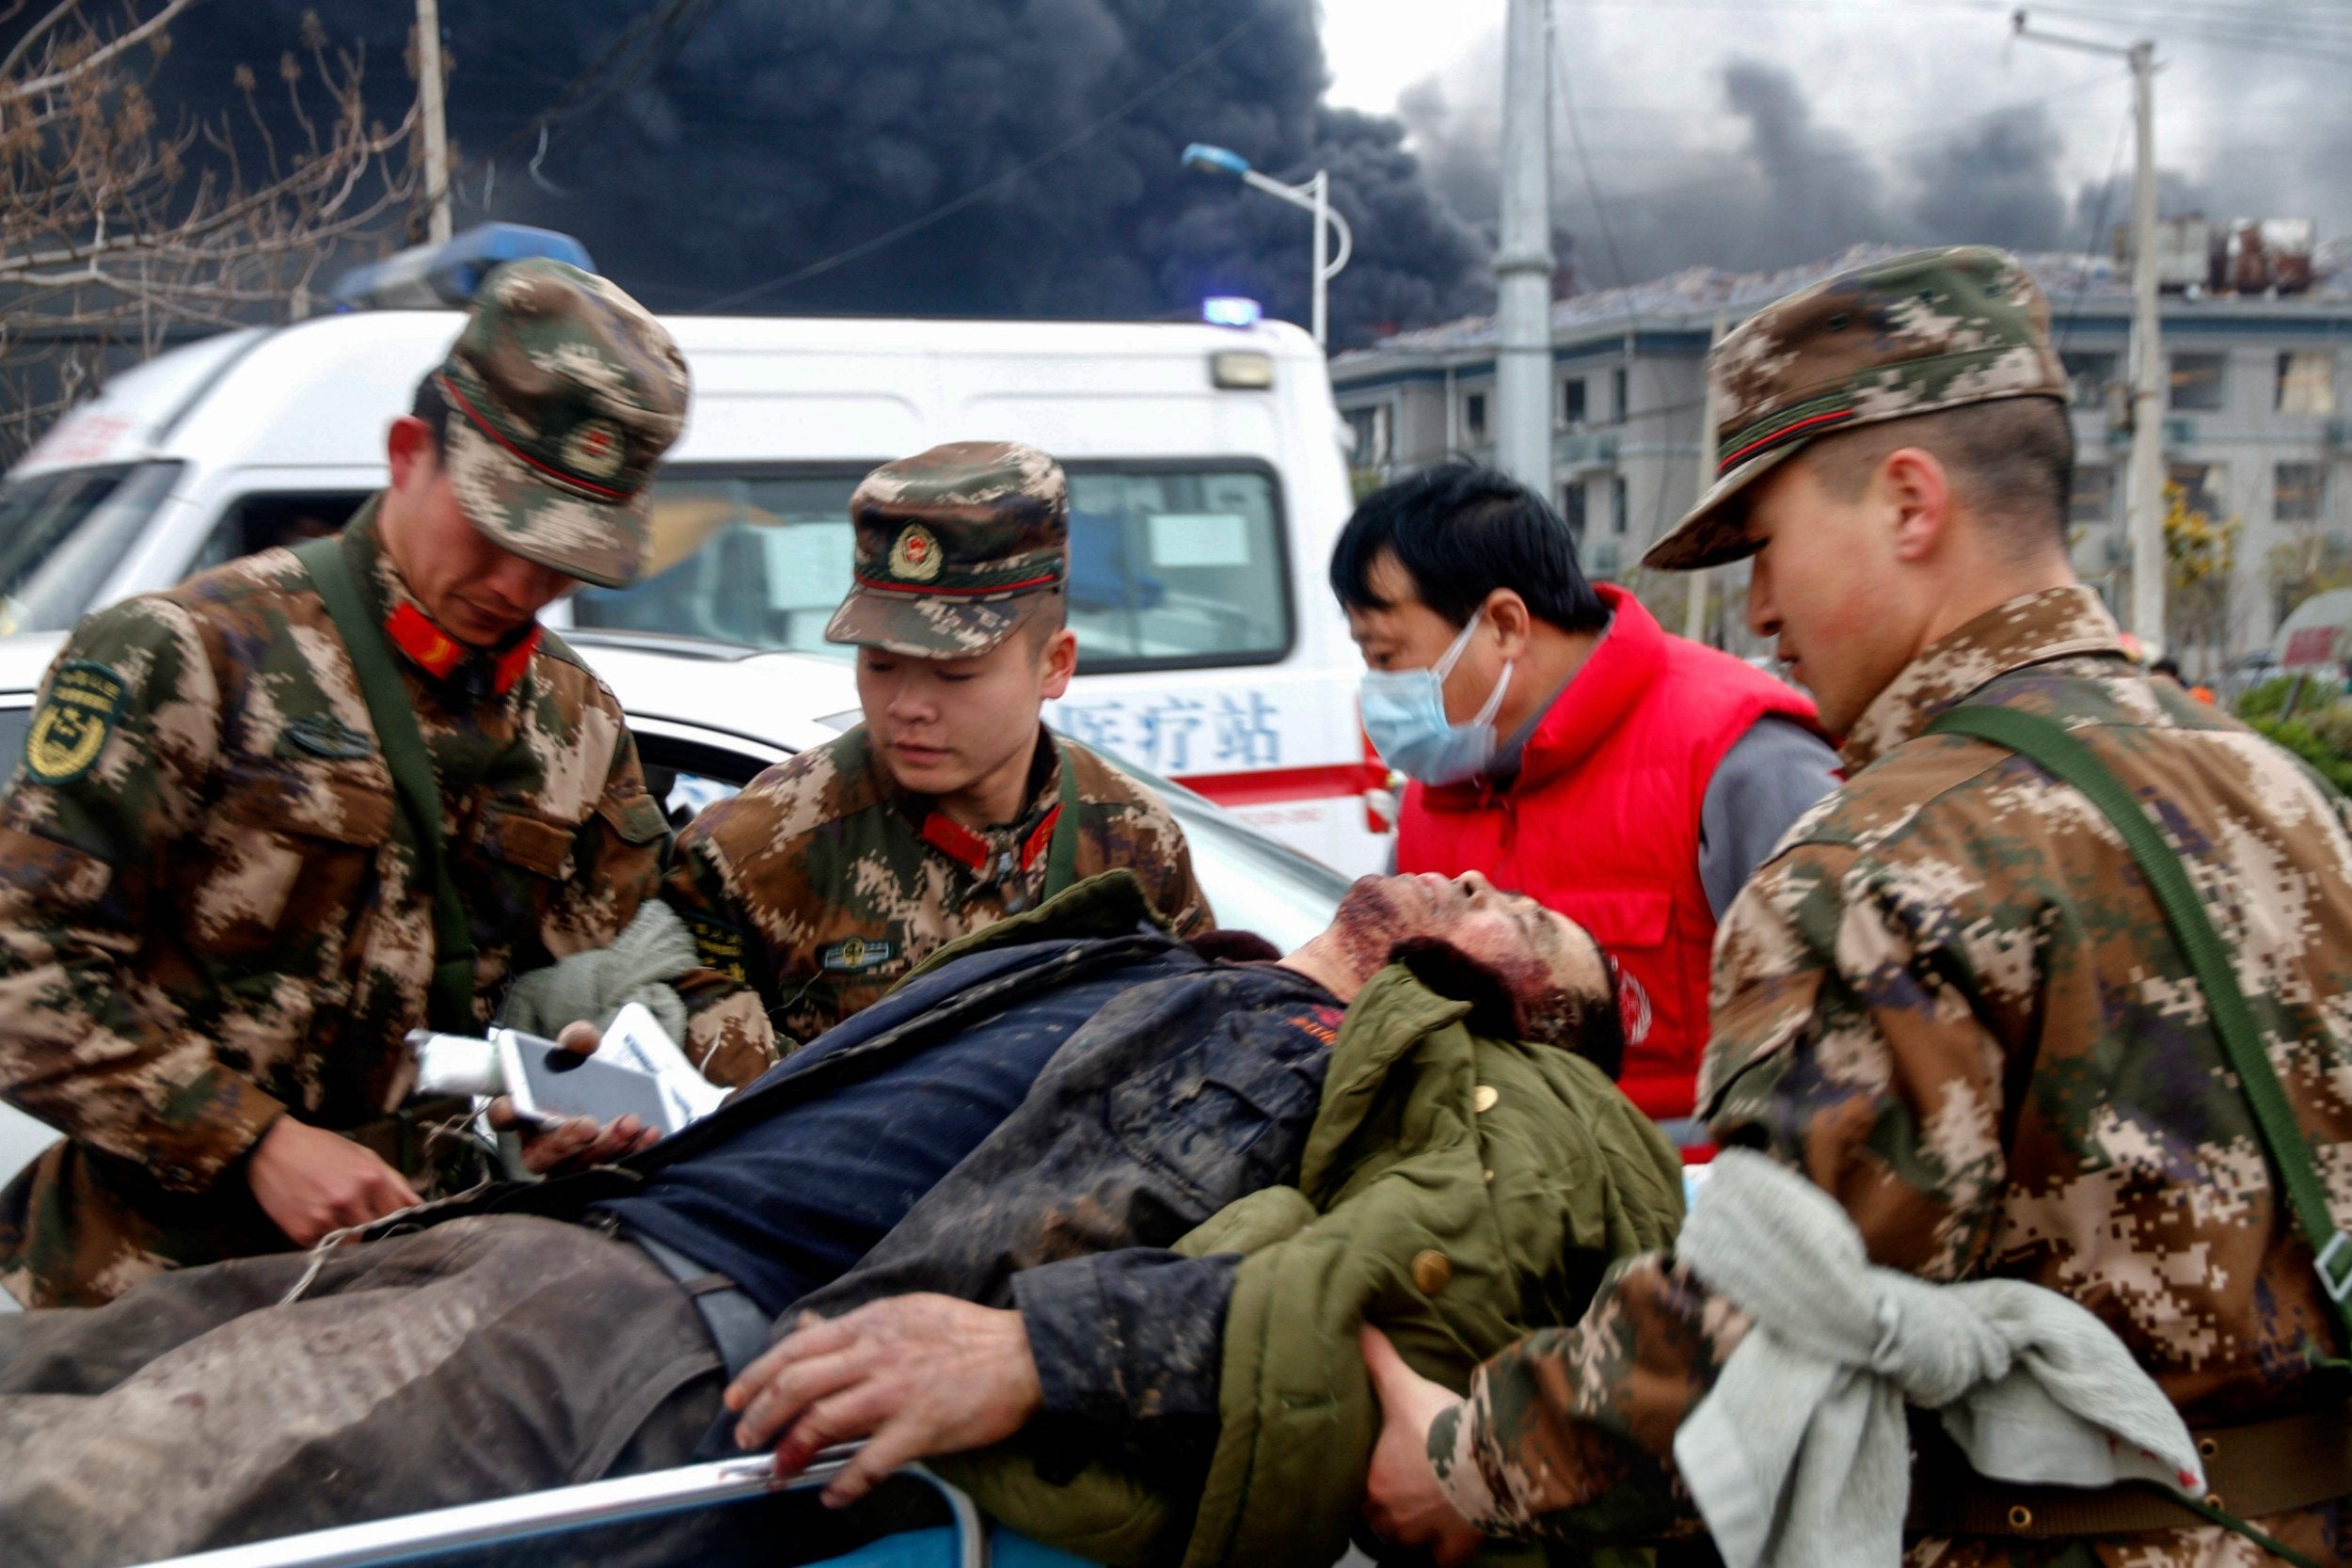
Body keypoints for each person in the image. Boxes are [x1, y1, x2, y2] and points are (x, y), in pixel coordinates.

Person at [1355, 247, 2352, 1564]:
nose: (1759, 609)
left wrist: (1466, 1462)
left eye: (1766, 544)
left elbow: (1765, 1317)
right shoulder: (2268, 783)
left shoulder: (1878, 857)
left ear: (1908, 500)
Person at [0, 870, 1680, 1568]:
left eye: (1525, 925)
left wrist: (1037, 1350)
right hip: (552, 1228)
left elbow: (1355, 1303)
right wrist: (667, 1140)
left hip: (645, 1343)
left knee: (75, 1514)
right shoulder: (1168, 951)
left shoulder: (1453, 1096)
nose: (1476, 890)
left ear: (1524, 1027)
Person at [0, 259, 691, 1308]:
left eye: (563, 556)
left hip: (430, 1291)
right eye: (496, 529)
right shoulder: (189, 655)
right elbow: (20, 971)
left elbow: (568, 999)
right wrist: (252, 1138)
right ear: (409, 454)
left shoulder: (578, 721)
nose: (519, 583)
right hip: (158, 1298)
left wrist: (571, 1106)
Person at [658, 440, 1213, 1066]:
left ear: (1054, 664)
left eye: (954, 673)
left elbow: (1203, 1050)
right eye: (881, 663)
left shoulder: (1133, 838)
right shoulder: (750, 856)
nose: (908, 705)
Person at [1332, 466, 1840, 1129]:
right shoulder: (1437, 797)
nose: (1377, 690)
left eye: (1386, 655)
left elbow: (1844, 1053)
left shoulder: (1738, 758)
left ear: (1506, 625)